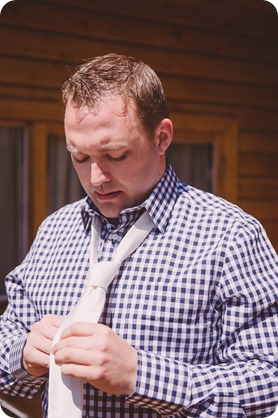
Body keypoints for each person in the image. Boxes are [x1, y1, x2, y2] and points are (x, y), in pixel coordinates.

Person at [0, 53, 277, 418]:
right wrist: (22, 356)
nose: (96, 178)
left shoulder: (232, 237)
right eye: (79, 157)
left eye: (115, 154)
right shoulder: (54, 231)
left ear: (161, 137)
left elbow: (269, 381)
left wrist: (139, 375)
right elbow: (7, 348)